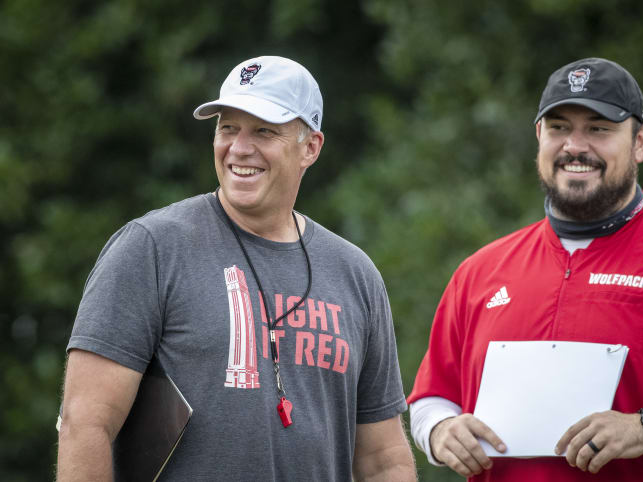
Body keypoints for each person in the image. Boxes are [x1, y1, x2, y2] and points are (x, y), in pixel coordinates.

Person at [57, 55, 416, 481]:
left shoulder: (355, 274)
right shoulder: (151, 248)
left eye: (264, 131)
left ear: (311, 148)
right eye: (228, 128)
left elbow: (383, 459)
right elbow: (86, 423)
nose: (240, 148)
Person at [408, 57, 643, 481]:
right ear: (540, 136)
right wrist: (439, 430)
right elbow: (431, 398)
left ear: (640, 141)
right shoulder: (480, 270)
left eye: (599, 128)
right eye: (559, 127)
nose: (575, 146)